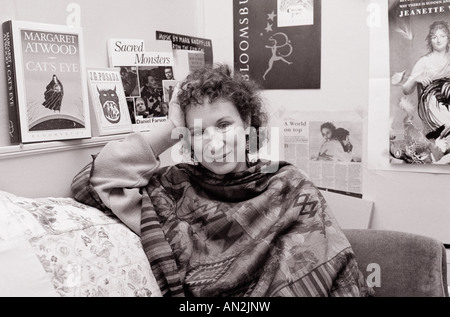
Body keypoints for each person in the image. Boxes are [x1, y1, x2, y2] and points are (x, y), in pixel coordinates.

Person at [71, 64, 372, 297]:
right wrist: (171, 126)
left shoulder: (289, 185)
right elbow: (96, 179)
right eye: (199, 131)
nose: (214, 143)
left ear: (247, 125)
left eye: (224, 124)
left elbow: (330, 270)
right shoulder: (174, 189)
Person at [401, 21, 450, 155]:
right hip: (432, 112)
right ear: (430, 40)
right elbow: (405, 89)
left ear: (448, 38)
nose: (438, 40)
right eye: (434, 37)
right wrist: (416, 78)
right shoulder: (424, 62)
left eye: (442, 36)